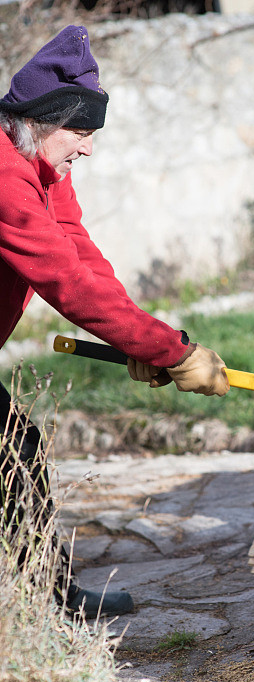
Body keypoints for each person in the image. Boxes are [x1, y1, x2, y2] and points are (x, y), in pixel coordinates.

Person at [0, 25, 230, 618]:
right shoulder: (4, 177)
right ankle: (42, 603)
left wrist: (147, 341)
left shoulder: (45, 171)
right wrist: (173, 352)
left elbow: (80, 252)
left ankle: (39, 598)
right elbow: (65, 284)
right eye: (80, 131)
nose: (89, 148)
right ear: (43, 119)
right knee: (13, 448)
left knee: (13, 448)